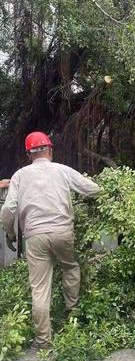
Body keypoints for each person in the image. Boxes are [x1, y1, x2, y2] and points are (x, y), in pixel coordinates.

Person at [0, 131, 100, 349]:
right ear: (50, 150)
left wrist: (10, 233)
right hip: (63, 232)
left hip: (34, 236)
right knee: (70, 267)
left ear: (29, 154)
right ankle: (71, 313)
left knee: (39, 287)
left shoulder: (19, 176)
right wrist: (108, 191)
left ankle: (43, 340)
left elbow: (8, 208)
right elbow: (92, 189)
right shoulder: (62, 170)